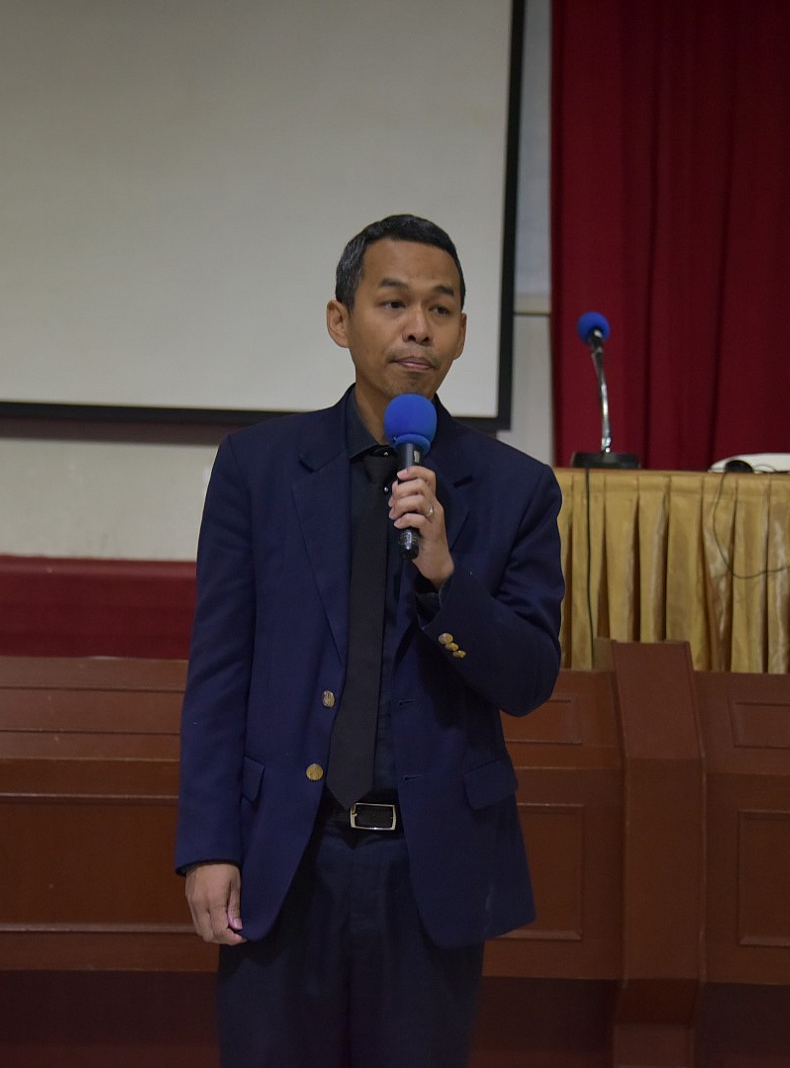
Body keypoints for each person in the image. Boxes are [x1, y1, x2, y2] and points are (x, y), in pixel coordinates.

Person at [175, 215, 564, 1067]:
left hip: (430, 869)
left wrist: (446, 579)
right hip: (286, 854)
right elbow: (219, 670)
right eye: (393, 303)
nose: (419, 327)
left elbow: (531, 679)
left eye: (441, 308)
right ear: (339, 320)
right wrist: (209, 844)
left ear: (462, 331)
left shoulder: (517, 489)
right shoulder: (259, 468)